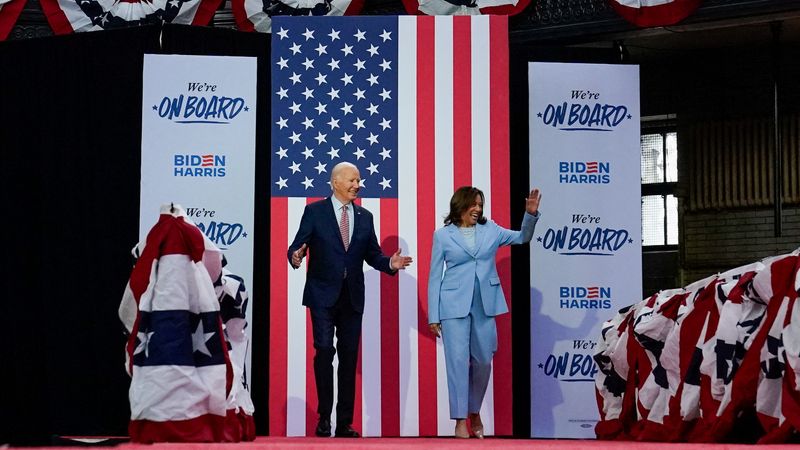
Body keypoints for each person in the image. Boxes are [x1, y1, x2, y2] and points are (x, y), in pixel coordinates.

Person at [287, 161, 413, 438]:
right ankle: (323, 418)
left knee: (348, 357)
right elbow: (297, 245)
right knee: (324, 351)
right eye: (353, 180)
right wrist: (296, 255)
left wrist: (389, 263)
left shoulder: (365, 217)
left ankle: (344, 422)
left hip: (352, 298)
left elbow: (374, 255)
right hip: (322, 295)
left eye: (359, 180)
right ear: (335, 182)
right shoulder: (314, 212)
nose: (358, 185)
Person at [428, 186, 542, 439]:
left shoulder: (491, 230)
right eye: (474, 204)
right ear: (460, 206)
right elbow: (435, 276)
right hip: (452, 305)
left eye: (481, 204)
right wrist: (433, 315)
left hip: (485, 304)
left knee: (483, 361)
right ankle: (459, 421)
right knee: (456, 363)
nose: (478, 208)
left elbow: (523, 237)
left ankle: (474, 410)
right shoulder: (443, 236)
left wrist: (530, 214)